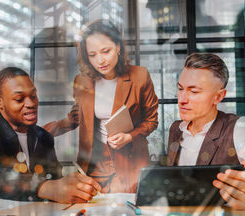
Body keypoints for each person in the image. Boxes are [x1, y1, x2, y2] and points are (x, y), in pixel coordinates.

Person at [44, 20, 159, 193]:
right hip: (95, 164)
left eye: (106, 51)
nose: (100, 60)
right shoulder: (81, 82)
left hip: (129, 162)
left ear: (118, 46)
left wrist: (129, 137)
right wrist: (39, 134)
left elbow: (152, 121)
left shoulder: (139, 76)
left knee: (125, 210)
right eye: (92, 54)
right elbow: (77, 119)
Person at [166, 52, 245, 209]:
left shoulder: (241, 127)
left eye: (194, 92)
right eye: (180, 89)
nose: (182, 99)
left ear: (218, 97)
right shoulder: (176, 129)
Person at [0, 67, 101, 203]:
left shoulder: (44, 137)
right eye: (19, 99)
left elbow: (55, 180)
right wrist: (45, 187)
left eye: (33, 96)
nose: (31, 103)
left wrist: (72, 186)